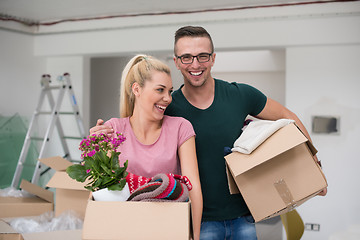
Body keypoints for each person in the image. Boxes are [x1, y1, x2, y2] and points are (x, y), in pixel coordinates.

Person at [91, 26, 327, 239]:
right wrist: (104, 134)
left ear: (213, 58)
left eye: (202, 56)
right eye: (186, 57)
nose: (195, 64)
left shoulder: (240, 95)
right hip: (197, 220)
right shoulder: (167, 107)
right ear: (176, 61)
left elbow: (288, 116)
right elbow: (136, 131)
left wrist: (313, 161)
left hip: (243, 216)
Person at [90, 54, 203, 240]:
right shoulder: (114, 129)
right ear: (136, 89)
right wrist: (96, 149)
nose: (167, 98)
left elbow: (194, 187)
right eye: (160, 90)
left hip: (169, 230)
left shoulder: (181, 127)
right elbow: (103, 189)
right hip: (125, 231)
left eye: (170, 91)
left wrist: (195, 236)